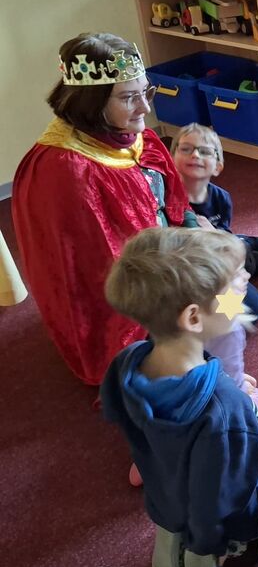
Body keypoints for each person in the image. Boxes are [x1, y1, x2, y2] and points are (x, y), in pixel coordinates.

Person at [99, 228, 258, 567]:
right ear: (194, 316)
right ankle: (205, 556)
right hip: (223, 513)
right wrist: (207, 540)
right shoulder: (226, 408)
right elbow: (224, 489)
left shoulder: (126, 363)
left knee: (180, 495)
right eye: (235, 281)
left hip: (164, 489)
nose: (247, 279)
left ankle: (169, 531)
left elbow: (117, 413)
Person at [11, 33, 193, 385]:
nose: (146, 109)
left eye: (146, 92)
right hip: (136, 291)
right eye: (129, 98)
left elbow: (170, 202)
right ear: (90, 102)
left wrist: (195, 241)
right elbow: (96, 274)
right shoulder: (66, 171)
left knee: (243, 301)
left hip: (168, 260)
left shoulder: (129, 132)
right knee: (206, 334)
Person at [171, 123, 258, 277]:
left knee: (235, 245)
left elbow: (224, 232)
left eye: (205, 151)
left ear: (217, 167)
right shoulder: (168, 198)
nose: (195, 155)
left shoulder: (221, 198)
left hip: (218, 244)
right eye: (186, 149)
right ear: (170, 159)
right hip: (197, 258)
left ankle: (255, 243)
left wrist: (213, 233)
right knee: (239, 258)